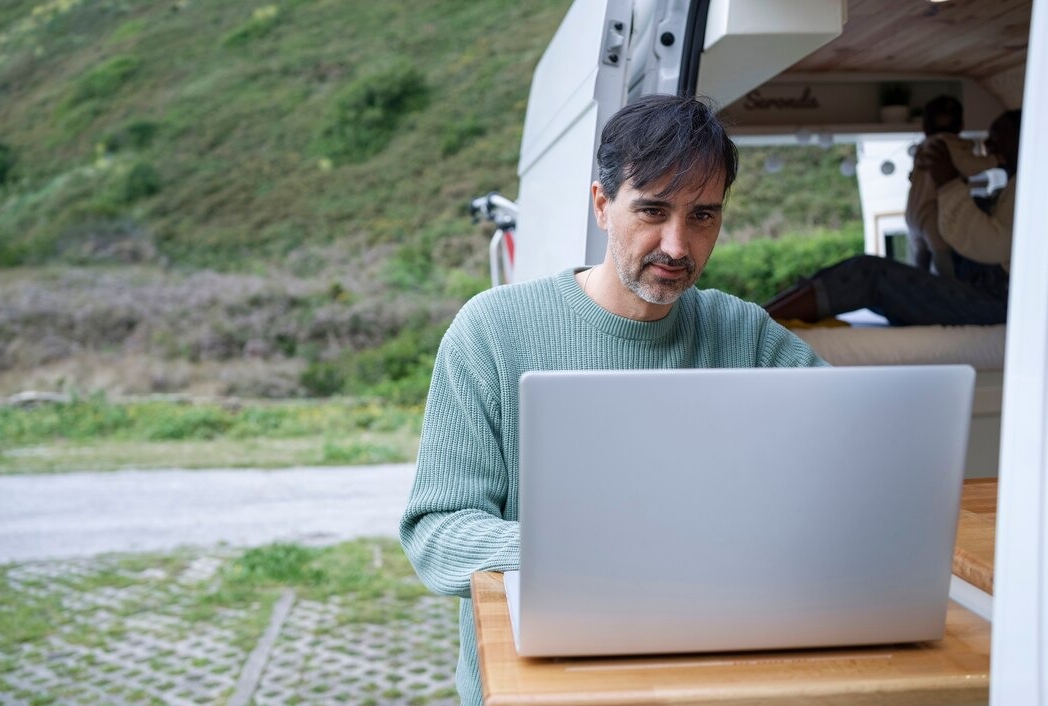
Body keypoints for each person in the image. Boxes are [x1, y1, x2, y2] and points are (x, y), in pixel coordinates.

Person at [399, 94, 826, 706]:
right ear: (602, 205)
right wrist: (590, 550)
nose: (678, 246)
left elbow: (849, 459)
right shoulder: (491, 331)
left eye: (703, 216)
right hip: (540, 685)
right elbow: (436, 534)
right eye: (652, 210)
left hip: (710, 670)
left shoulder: (744, 332)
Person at [764, 109, 1020, 326]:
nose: (989, 144)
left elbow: (992, 246)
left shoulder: (1027, 189)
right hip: (981, 293)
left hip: (995, 303)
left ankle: (756, 326)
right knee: (855, 268)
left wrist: (949, 182)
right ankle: (756, 318)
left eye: (998, 137)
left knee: (870, 273)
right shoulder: (1010, 188)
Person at [905, 95, 997, 277]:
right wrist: (995, 160)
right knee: (941, 250)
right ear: (961, 125)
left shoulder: (924, 147)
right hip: (933, 209)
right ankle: (948, 284)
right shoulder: (949, 145)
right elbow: (968, 166)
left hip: (913, 210)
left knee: (921, 254)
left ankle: (916, 280)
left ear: (924, 128)